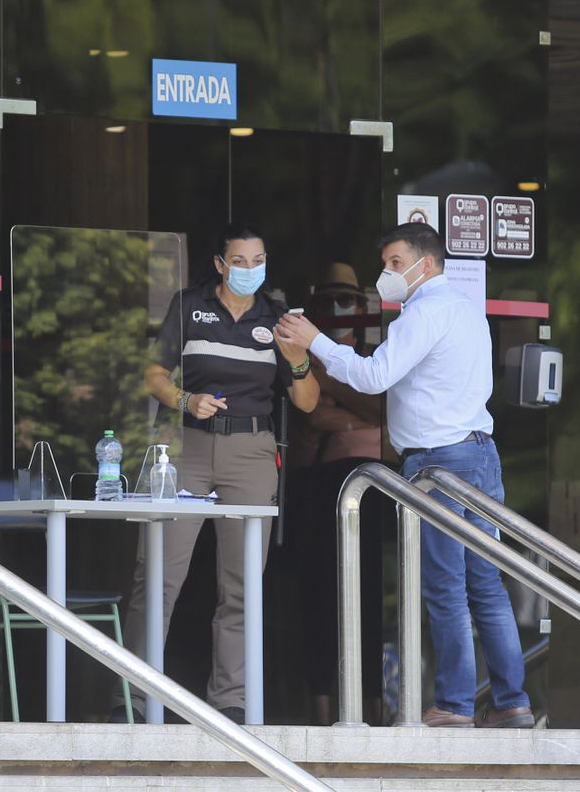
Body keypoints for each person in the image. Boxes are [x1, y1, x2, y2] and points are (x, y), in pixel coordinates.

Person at [276, 223, 533, 728]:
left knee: (444, 585)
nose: (387, 274)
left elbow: (373, 376)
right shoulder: (466, 311)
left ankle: (456, 704)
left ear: (426, 264)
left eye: (396, 263)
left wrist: (316, 342)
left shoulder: (423, 312)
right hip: (480, 454)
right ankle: (512, 701)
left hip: (439, 463)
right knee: (486, 583)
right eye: (387, 263)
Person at [113, 222, 319, 724]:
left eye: (259, 260)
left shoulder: (278, 317)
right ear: (220, 265)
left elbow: (308, 401)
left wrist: (295, 361)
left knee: (243, 583)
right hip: (183, 445)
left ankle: (231, 698)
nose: (251, 269)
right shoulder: (189, 305)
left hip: (251, 449)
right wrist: (187, 399)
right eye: (241, 261)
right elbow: (153, 373)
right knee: (158, 575)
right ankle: (138, 699)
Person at [288, 264, 385, 724]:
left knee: (372, 597)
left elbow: (382, 409)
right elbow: (311, 417)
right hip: (320, 486)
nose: (337, 308)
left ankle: (376, 704)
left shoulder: (376, 354)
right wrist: (355, 407)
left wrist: (335, 391)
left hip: (375, 487)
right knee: (321, 598)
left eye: (345, 299)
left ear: (363, 306)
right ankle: (321, 712)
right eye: (327, 301)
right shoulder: (304, 353)